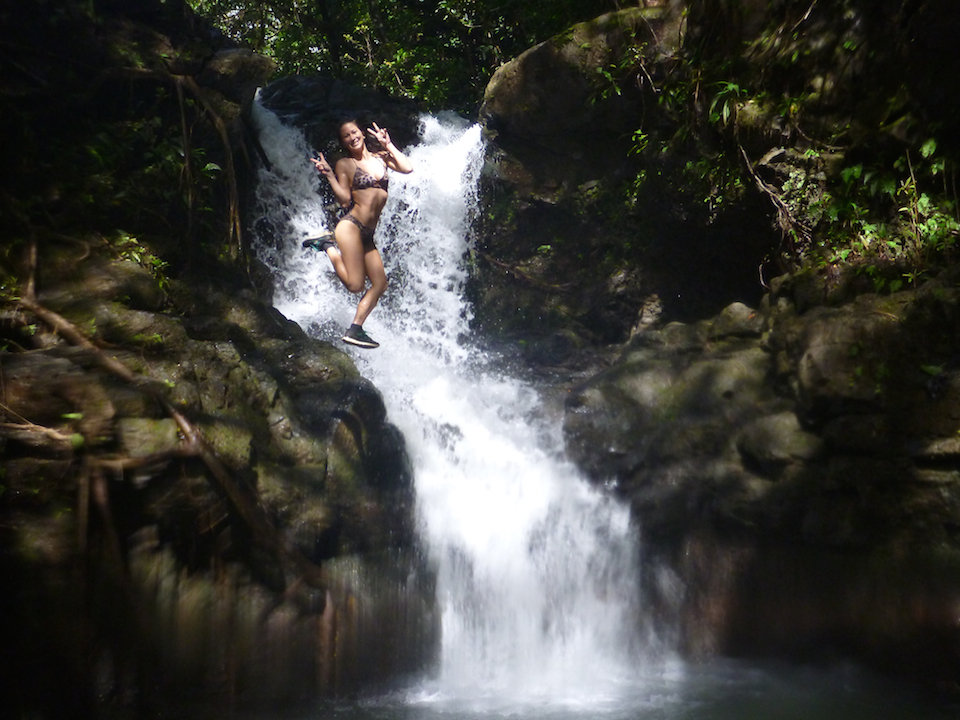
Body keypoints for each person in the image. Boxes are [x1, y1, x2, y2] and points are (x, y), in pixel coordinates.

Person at [306, 119, 413, 349]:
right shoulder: (345, 164)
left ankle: (356, 328)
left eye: (353, 132)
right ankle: (327, 246)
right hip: (351, 226)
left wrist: (389, 144)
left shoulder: (381, 157)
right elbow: (344, 200)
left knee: (380, 284)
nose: (351, 137)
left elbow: (407, 168)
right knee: (355, 285)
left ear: (362, 134)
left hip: (367, 234)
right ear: (343, 142)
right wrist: (329, 174)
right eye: (346, 136)